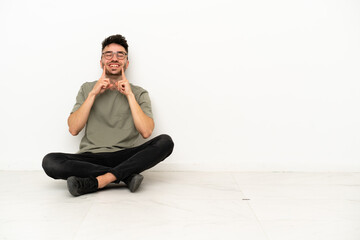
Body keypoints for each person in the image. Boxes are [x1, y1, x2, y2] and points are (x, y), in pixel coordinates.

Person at [42, 34, 174, 197]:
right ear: (101, 62)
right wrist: (93, 94)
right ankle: (125, 176)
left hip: (125, 156)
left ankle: (100, 181)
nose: (114, 58)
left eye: (120, 54)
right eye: (108, 54)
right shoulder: (87, 89)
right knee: (50, 161)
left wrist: (129, 95)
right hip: (90, 157)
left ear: (127, 63)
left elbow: (146, 132)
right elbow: (74, 129)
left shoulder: (139, 93)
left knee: (166, 142)